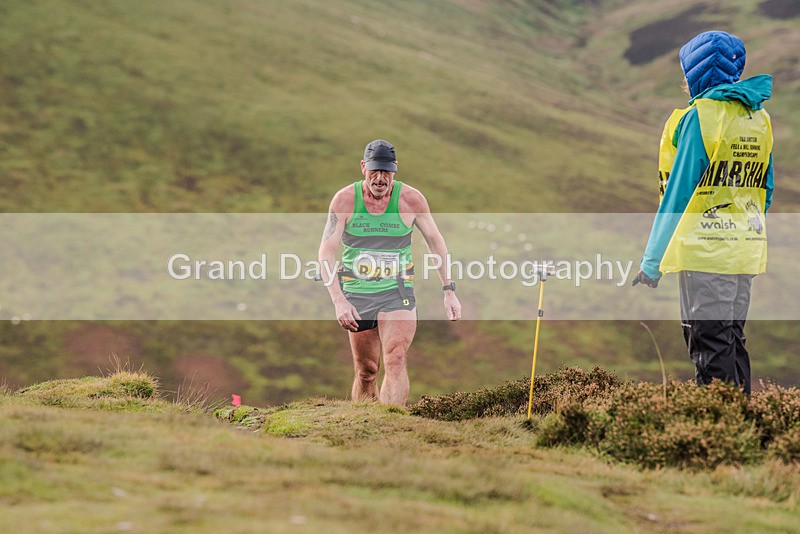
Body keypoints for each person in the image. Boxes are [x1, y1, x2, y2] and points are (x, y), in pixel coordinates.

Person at [633, 31, 774, 395]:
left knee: (709, 344)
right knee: (730, 339)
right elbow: (766, 191)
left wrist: (651, 262)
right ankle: (743, 432)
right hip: (744, 250)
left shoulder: (701, 118)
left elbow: (676, 196)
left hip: (707, 252)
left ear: (696, 72)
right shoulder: (758, 118)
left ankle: (719, 437)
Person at [318, 139, 461, 405]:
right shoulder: (345, 200)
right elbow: (326, 252)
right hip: (357, 293)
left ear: (395, 170)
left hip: (397, 291)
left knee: (395, 359)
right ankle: (363, 429)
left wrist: (449, 291)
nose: (380, 178)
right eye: (374, 171)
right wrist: (339, 301)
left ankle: (391, 423)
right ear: (363, 167)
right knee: (367, 371)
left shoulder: (411, 199)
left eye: (387, 171)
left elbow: (435, 242)